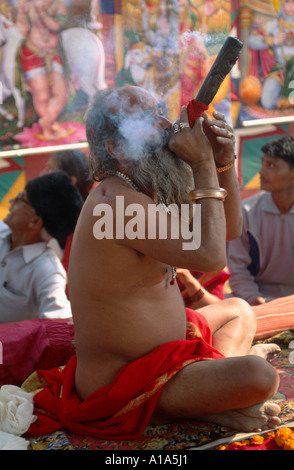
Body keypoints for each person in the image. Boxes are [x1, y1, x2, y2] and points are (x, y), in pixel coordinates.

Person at [26, 86, 281, 440]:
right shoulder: (115, 203)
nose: (165, 123)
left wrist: (223, 161)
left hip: (171, 358)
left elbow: (228, 230)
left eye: (161, 110)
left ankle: (212, 401)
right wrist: (203, 163)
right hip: (122, 383)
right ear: (115, 148)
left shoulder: (145, 189)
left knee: (238, 310)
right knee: (261, 377)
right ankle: (211, 404)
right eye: (147, 119)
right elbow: (211, 257)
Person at [0, 171, 83, 323]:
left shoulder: (48, 272)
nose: (12, 201)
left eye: (21, 199)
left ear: (35, 222)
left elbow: (60, 326)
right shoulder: (2, 232)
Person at [227, 136, 294, 306]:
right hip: (257, 300)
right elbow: (237, 269)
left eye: (271, 165)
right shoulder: (246, 212)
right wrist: (257, 301)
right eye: (264, 163)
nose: (262, 172)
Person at [16, 0, 70, 140]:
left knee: (61, 94)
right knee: (42, 96)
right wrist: (22, 14)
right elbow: (22, 31)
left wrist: (41, 12)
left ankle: (46, 121)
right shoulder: (28, 5)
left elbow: (56, 26)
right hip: (32, 54)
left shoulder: (58, 6)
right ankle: (48, 128)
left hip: (53, 54)